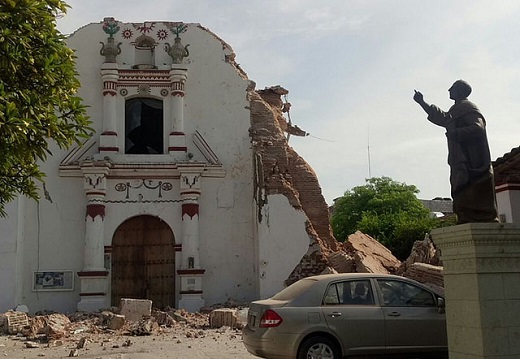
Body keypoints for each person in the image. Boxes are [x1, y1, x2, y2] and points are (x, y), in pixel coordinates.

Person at [413, 80, 498, 224]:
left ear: (459, 91)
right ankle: (466, 217)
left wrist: (456, 133)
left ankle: (480, 217)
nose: (448, 90)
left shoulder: (469, 107)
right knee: (460, 188)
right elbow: (442, 117)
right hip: (459, 159)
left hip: (473, 160)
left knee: (472, 188)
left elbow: (478, 127)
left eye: (452, 88)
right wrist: (422, 102)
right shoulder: (456, 110)